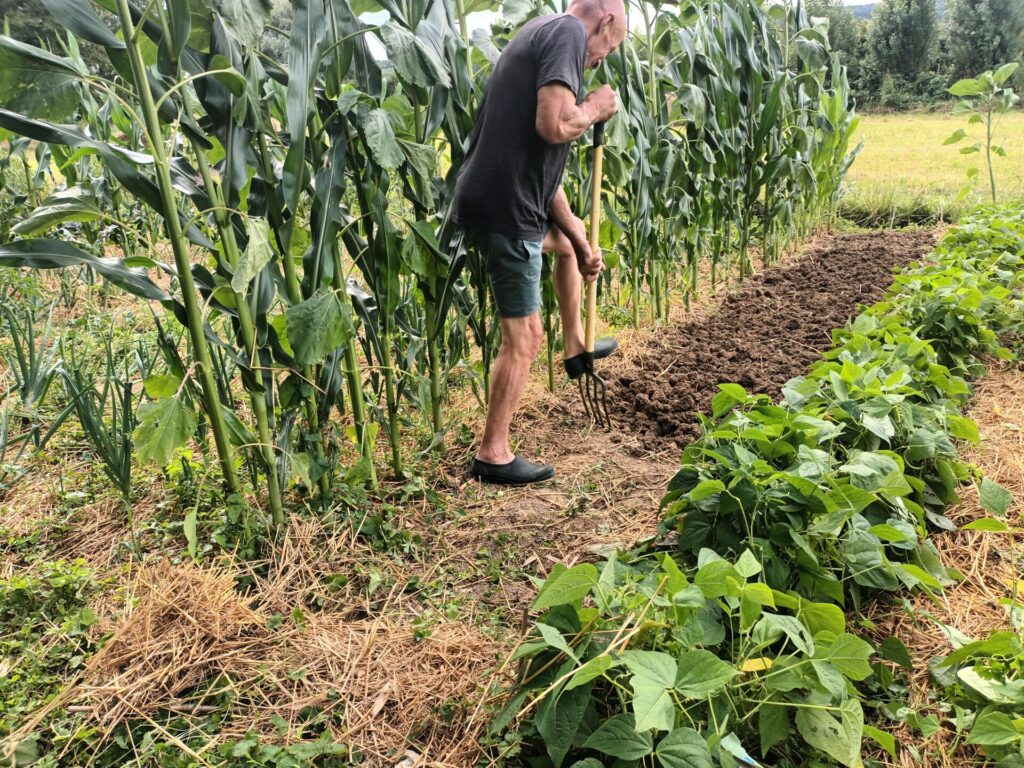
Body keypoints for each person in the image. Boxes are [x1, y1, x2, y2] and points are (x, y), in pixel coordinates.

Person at [453, 0, 627, 485]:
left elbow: (545, 179)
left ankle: (576, 349)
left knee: (569, 250)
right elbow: (553, 126)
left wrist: (583, 240)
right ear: (604, 21)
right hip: (505, 207)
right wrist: (594, 107)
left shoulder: (548, 34)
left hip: (513, 197)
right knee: (524, 338)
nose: (599, 62)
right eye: (605, 51)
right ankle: (493, 453)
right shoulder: (569, 34)